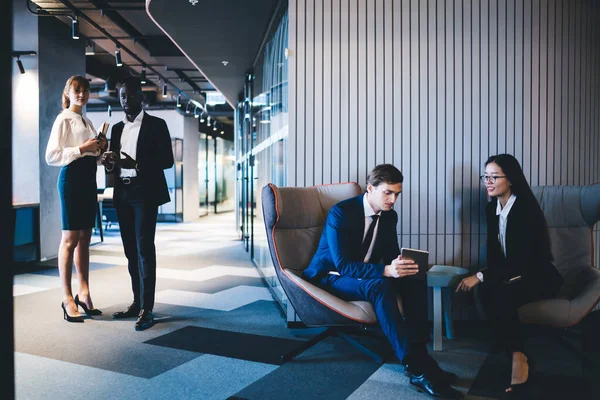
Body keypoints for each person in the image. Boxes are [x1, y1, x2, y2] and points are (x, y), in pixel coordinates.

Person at [303, 164, 462, 400]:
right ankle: (414, 368)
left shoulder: (389, 216)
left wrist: (400, 265)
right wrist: (387, 270)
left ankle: (422, 355)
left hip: (362, 273)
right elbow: (344, 266)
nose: (393, 199)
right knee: (379, 285)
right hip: (331, 276)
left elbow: (389, 254)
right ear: (370, 188)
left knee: (414, 277)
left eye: (397, 194)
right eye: (388, 192)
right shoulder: (341, 213)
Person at [456, 154, 563, 395]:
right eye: (486, 177)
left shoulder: (525, 209)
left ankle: (518, 358)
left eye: (495, 177)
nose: (488, 182)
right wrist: (484, 276)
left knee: (499, 294)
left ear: (511, 179)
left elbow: (521, 260)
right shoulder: (491, 207)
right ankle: (512, 348)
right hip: (513, 274)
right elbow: (495, 255)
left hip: (540, 276)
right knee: (486, 291)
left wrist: (481, 276)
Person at [101, 77, 174, 331]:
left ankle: (147, 308)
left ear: (140, 97)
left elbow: (167, 160)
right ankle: (136, 301)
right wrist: (109, 162)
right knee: (130, 250)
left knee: (144, 248)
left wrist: (137, 164)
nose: (125, 100)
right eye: (122, 96)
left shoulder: (157, 125)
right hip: (123, 194)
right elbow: (114, 165)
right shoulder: (117, 129)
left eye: (130, 95)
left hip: (145, 193)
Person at [46, 75, 106, 322]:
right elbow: (51, 155)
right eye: (77, 90)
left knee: (85, 238)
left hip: (88, 180)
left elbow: (91, 155)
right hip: (71, 179)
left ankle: (85, 292)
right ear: (68, 92)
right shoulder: (64, 119)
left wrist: (102, 153)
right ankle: (67, 297)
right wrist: (83, 148)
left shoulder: (88, 121)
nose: (82, 94)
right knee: (69, 239)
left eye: (86, 90)